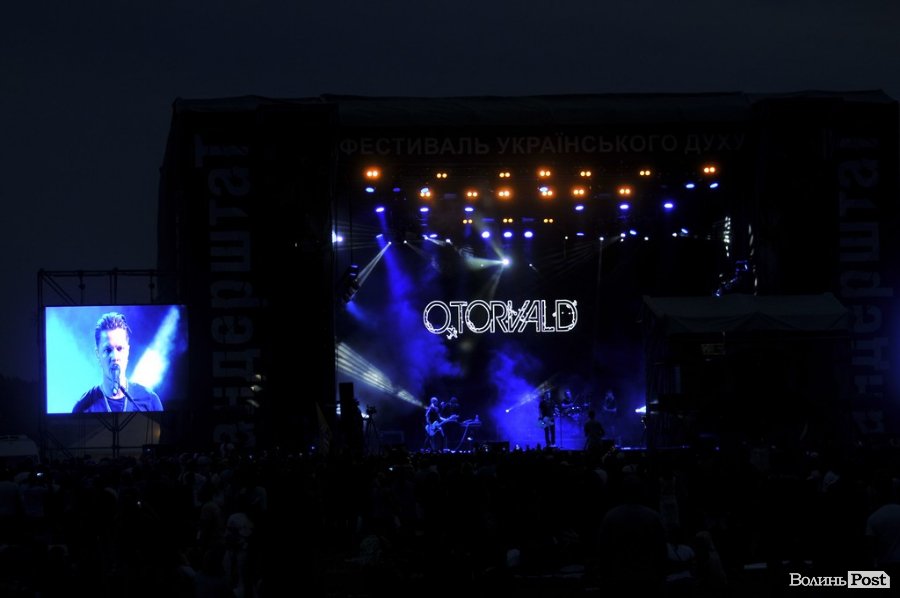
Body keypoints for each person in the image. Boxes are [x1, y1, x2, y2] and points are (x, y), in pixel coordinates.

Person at [72, 312, 163, 413]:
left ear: (127, 351)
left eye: (119, 349)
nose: (115, 357)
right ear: (98, 354)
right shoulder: (82, 408)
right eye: (108, 350)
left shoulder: (150, 401)